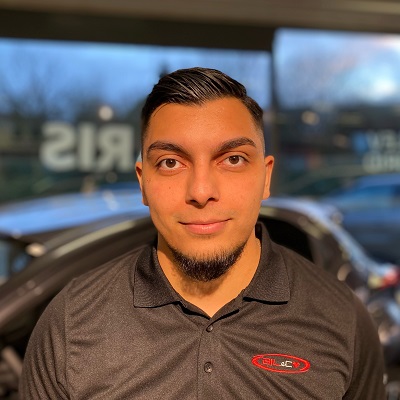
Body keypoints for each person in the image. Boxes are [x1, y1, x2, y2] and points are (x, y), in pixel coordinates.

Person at [20, 67, 386, 399]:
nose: (200, 191)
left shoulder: (342, 318)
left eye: (232, 160)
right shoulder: (71, 321)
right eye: (170, 163)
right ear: (143, 183)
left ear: (266, 178)